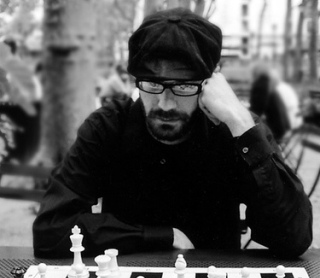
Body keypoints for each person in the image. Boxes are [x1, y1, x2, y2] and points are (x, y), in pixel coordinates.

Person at [33, 8, 312, 259]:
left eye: (183, 87)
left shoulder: (236, 128)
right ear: (135, 81)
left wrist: (241, 122)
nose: (165, 104)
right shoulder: (107, 126)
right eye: (152, 85)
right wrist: (161, 236)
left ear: (211, 82)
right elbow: (51, 229)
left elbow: (293, 239)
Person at [249, 63, 302, 144]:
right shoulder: (269, 85)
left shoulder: (261, 85)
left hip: (276, 131)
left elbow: (256, 111)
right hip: (284, 126)